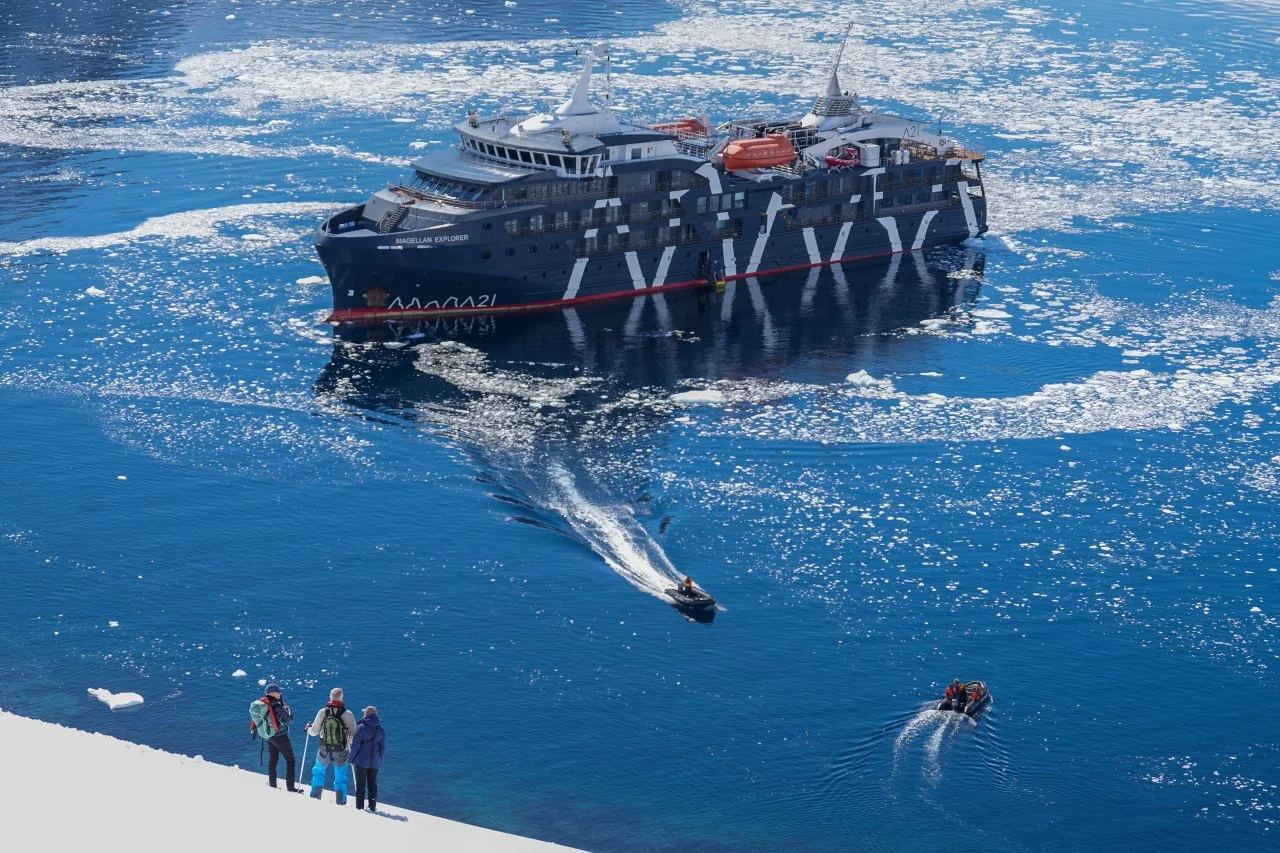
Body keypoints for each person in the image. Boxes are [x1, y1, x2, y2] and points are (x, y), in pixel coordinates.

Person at [306, 687, 357, 804]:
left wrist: (308, 729)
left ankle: (314, 799)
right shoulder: (348, 714)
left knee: (318, 772)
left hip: (324, 748)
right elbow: (353, 736)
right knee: (340, 778)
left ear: (330, 697)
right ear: (341, 697)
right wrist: (347, 743)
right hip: (341, 751)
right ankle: (340, 803)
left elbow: (314, 732)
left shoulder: (323, 712)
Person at [250, 684, 300, 792]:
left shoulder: (264, 703)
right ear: (272, 693)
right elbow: (289, 719)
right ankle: (291, 788)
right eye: (278, 692)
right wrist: (287, 708)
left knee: (273, 760)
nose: (280, 693)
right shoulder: (276, 706)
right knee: (291, 761)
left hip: (269, 736)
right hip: (280, 737)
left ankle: (273, 786)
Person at [349, 705, 386, 813]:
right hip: (374, 762)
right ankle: (372, 807)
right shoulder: (380, 730)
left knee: (360, 786)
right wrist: (379, 760)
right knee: (372, 785)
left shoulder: (361, 727)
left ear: (367, 714)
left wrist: (351, 759)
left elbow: (355, 746)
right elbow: (382, 748)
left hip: (361, 761)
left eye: (364, 712)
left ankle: (359, 808)